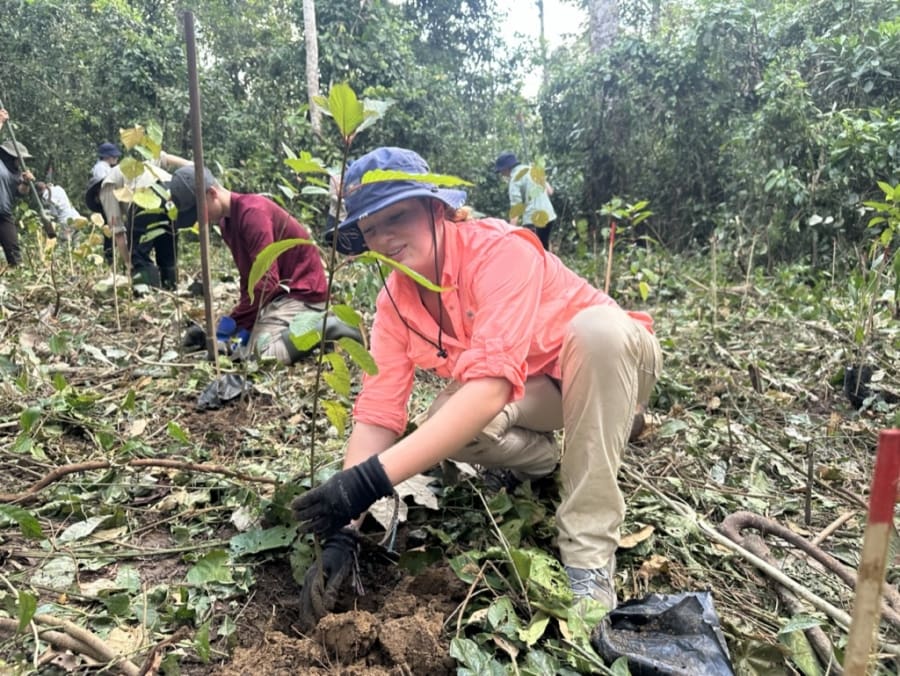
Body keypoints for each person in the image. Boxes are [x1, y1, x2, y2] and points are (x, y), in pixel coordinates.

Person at [292, 147, 662, 626]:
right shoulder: (394, 304)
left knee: (597, 331)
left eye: (397, 216)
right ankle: (546, 459)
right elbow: (378, 412)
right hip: (535, 390)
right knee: (445, 426)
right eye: (370, 228)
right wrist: (343, 530)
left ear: (436, 207)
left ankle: (589, 559)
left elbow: (488, 388)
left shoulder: (500, 249)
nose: (383, 238)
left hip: (615, 362)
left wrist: (365, 484)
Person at [170, 165, 344, 364]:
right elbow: (250, 280)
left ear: (212, 194)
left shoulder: (253, 212)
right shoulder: (228, 223)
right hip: (277, 296)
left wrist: (238, 323)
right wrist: (233, 326)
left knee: (259, 355)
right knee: (236, 347)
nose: (199, 221)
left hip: (302, 293)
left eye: (198, 213)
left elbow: (267, 282)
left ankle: (327, 327)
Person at [494, 151, 557, 251]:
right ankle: (551, 266)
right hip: (549, 216)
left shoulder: (515, 180)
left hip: (533, 220)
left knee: (533, 253)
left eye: (501, 171)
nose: (501, 174)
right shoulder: (532, 169)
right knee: (544, 250)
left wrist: (509, 232)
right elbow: (550, 191)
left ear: (506, 168)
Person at [0, 108, 35, 267]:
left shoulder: (17, 174)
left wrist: (27, 182)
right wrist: (1, 122)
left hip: (3, 214)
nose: (20, 162)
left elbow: (21, 193)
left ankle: (18, 275)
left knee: (14, 251)